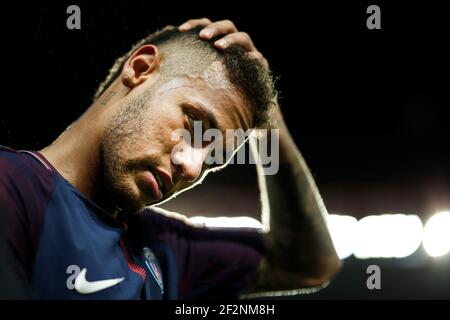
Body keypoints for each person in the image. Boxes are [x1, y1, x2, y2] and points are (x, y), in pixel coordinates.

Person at [0, 18, 341, 299]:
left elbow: (309, 264)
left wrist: (269, 121)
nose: (192, 168)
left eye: (213, 160)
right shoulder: (11, 189)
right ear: (140, 68)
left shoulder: (166, 249)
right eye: (195, 127)